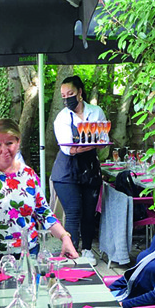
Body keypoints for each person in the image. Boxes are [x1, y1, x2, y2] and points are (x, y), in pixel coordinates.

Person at [0, 118, 78, 264]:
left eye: (9, 143)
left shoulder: (29, 174)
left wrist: (65, 238)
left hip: (29, 251)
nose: (4, 150)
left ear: (18, 143)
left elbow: (44, 212)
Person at [51, 75, 106, 266]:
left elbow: (103, 140)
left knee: (89, 213)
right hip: (66, 171)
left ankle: (88, 250)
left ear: (80, 92)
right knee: (73, 212)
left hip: (90, 169)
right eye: (64, 96)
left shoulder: (96, 112)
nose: (67, 99)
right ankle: (71, 252)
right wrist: (92, 143)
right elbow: (69, 149)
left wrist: (91, 144)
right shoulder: (62, 118)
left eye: (71, 94)